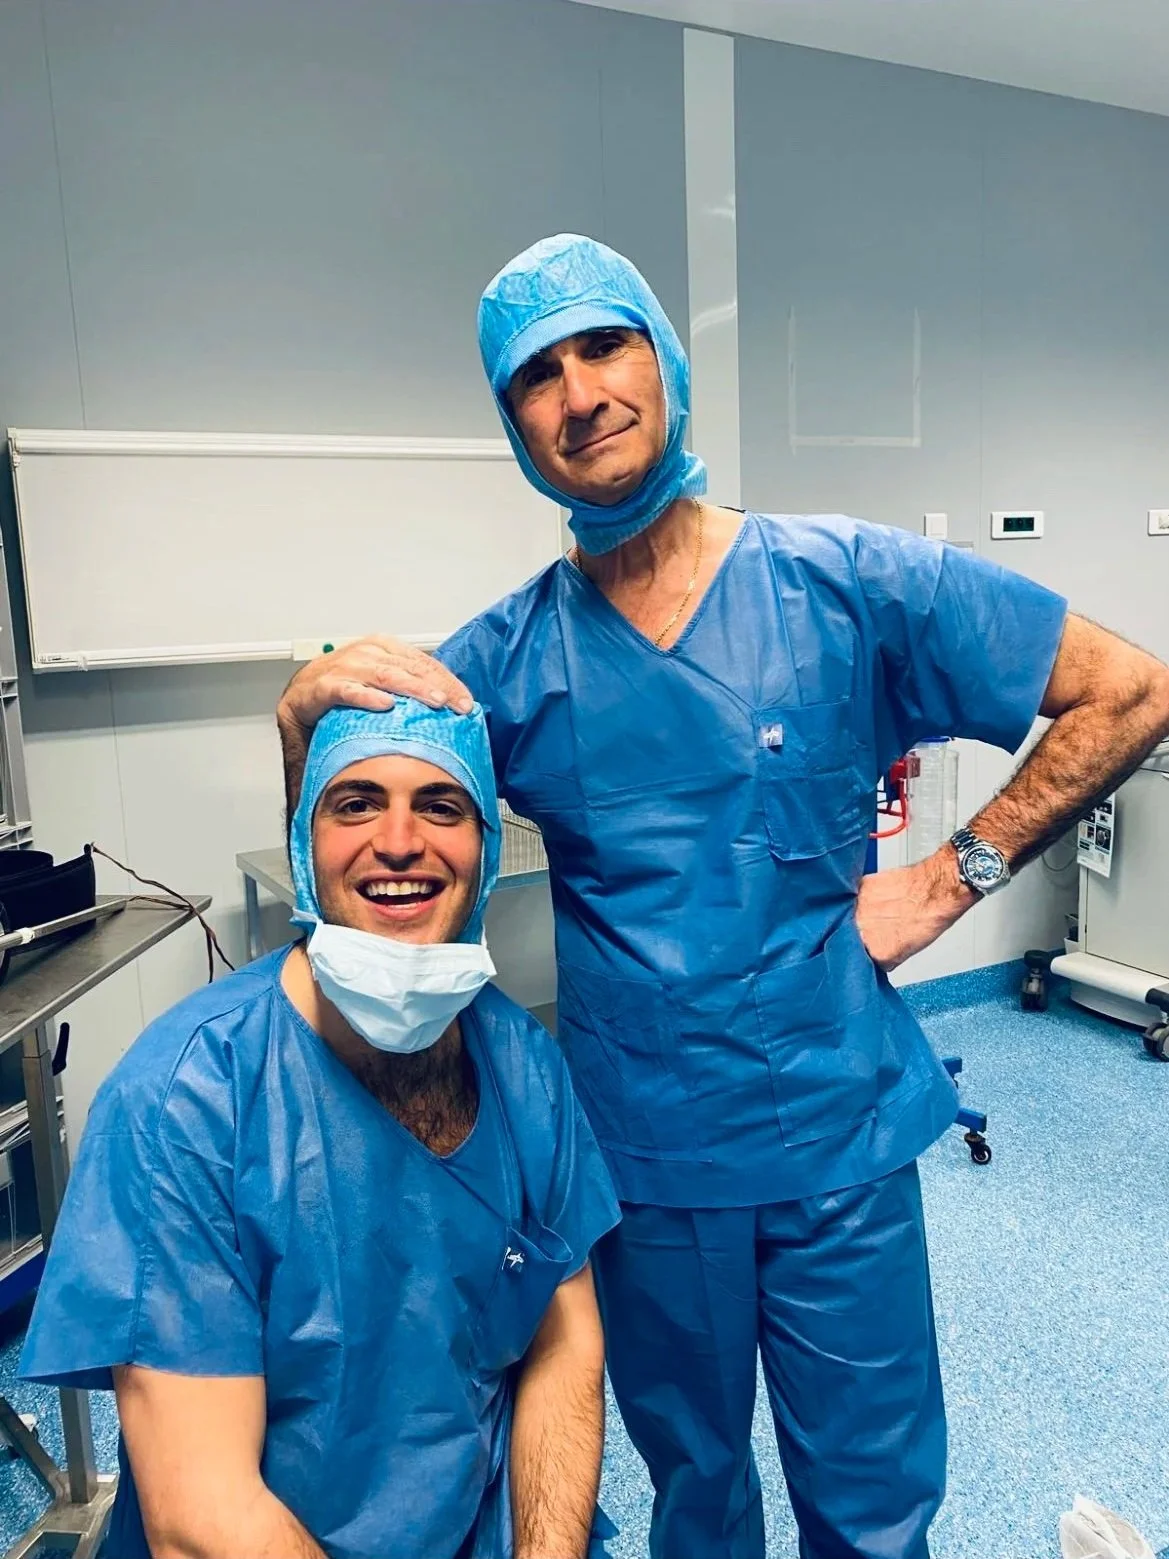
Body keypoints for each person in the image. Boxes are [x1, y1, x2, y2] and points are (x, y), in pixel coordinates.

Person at [276, 234, 1169, 1559]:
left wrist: (947, 875)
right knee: (694, 1495)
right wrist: (300, 725)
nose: (578, 391)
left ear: (664, 360)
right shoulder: (505, 660)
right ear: (514, 421)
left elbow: (1130, 687)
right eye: (536, 373)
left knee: (870, 1505)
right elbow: (355, 839)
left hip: (837, 1141)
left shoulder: (851, 582)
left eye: (604, 345)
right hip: (645, 1158)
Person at [21, 698, 620, 1559]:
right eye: (356, 802)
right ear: (305, 848)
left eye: (442, 806)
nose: (401, 839)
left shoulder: (525, 1068)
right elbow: (203, 1514)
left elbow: (565, 1348)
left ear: (485, 852)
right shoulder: (187, 1103)